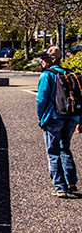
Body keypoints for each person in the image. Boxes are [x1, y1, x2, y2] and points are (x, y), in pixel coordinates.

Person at [37, 45, 82, 198]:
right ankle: (71, 182)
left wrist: (40, 117)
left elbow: (41, 99)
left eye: (44, 58)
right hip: (71, 117)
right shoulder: (71, 74)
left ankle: (60, 187)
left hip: (54, 117)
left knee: (53, 152)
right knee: (65, 148)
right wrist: (80, 120)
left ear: (53, 59)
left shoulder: (47, 76)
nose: (41, 61)